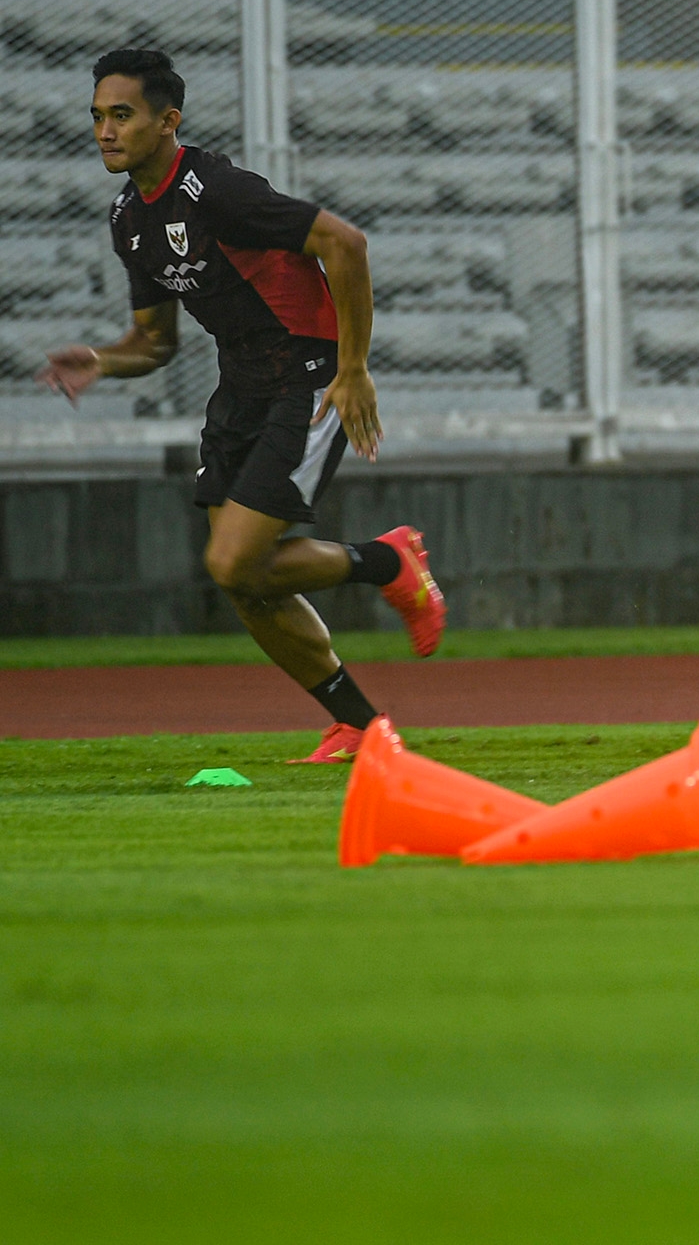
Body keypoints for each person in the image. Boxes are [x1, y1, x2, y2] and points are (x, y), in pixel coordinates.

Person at [41, 48, 445, 763]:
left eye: (123, 115)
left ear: (169, 122)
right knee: (244, 581)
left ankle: (388, 563)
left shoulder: (217, 190)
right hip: (243, 387)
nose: (106, 130)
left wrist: (353, 370)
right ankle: (359, 726)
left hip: (308, 375)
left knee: (233, 564)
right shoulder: (128, 218)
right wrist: (103, 359)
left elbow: (343, 243)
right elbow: (154, 342)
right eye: (98, 116)